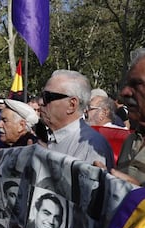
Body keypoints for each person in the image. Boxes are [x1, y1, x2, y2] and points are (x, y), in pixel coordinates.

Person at [41, 70, 114, 170]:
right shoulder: (46, 137)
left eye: (47, 97)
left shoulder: (91, 146)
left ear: (72, 105)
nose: (41, 102)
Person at [114, 48, 145, 186]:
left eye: (136, 84)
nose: (124, 92)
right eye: (127, 84)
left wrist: (137, 193)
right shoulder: (131, 140)